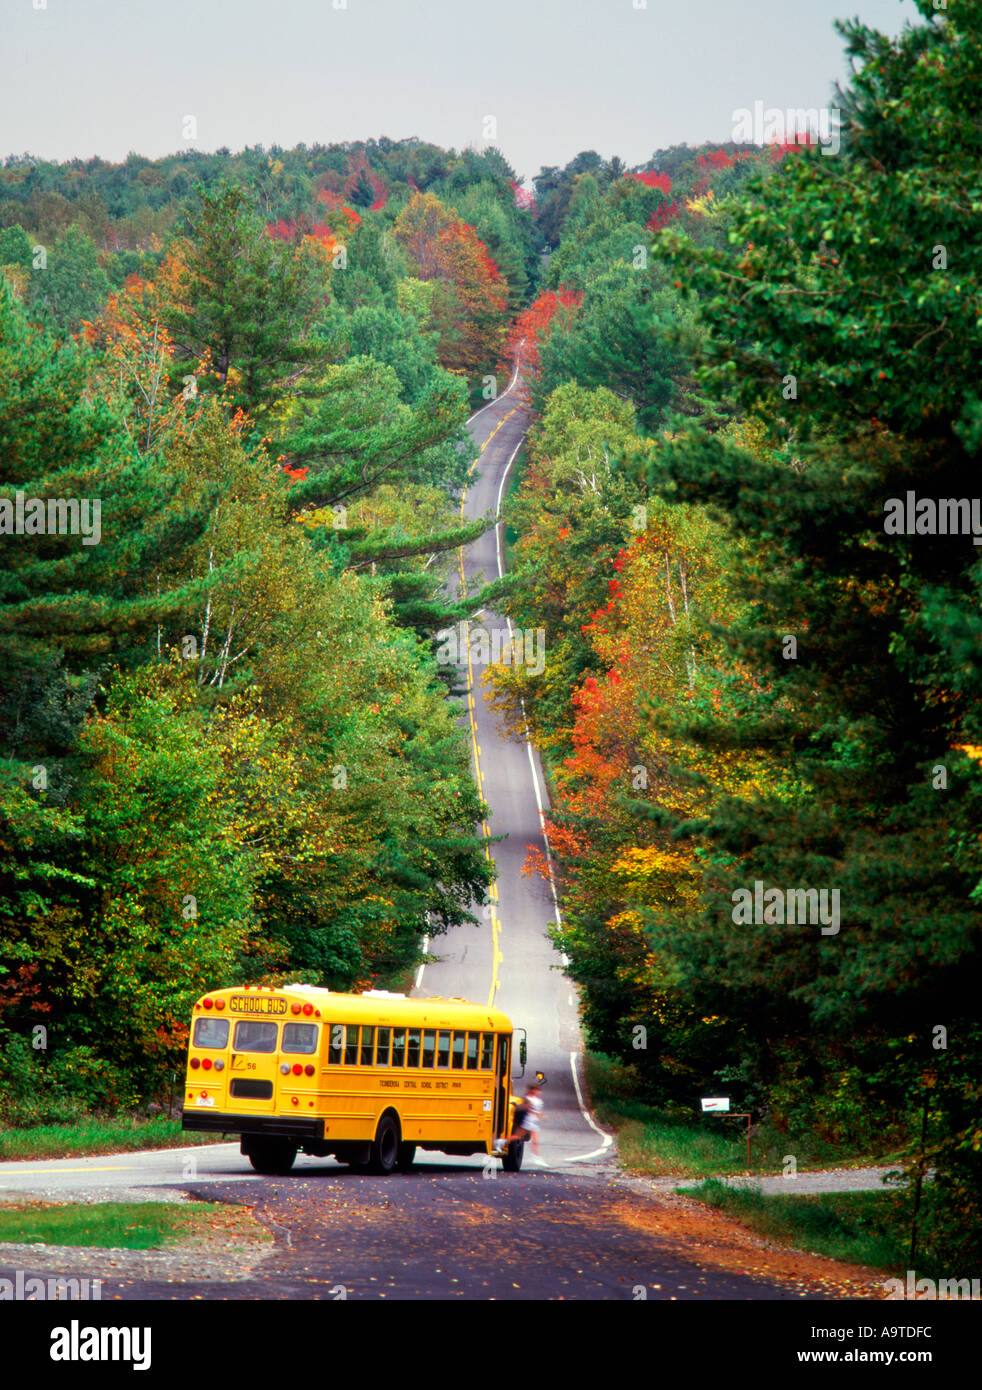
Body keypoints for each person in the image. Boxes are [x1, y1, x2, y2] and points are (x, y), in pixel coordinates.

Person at [500, 1082, 543, 1156]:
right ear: (533, 1090)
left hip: (530, 1121)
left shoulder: (532, 1099)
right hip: (528, 1121)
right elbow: (527, 1109)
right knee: (531, 1139)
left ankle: (500, 1141)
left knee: (520, 1137)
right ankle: (536, 1157)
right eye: (537, 1090)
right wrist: (537, 1114)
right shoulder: (528, 1099)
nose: (539, 1092)